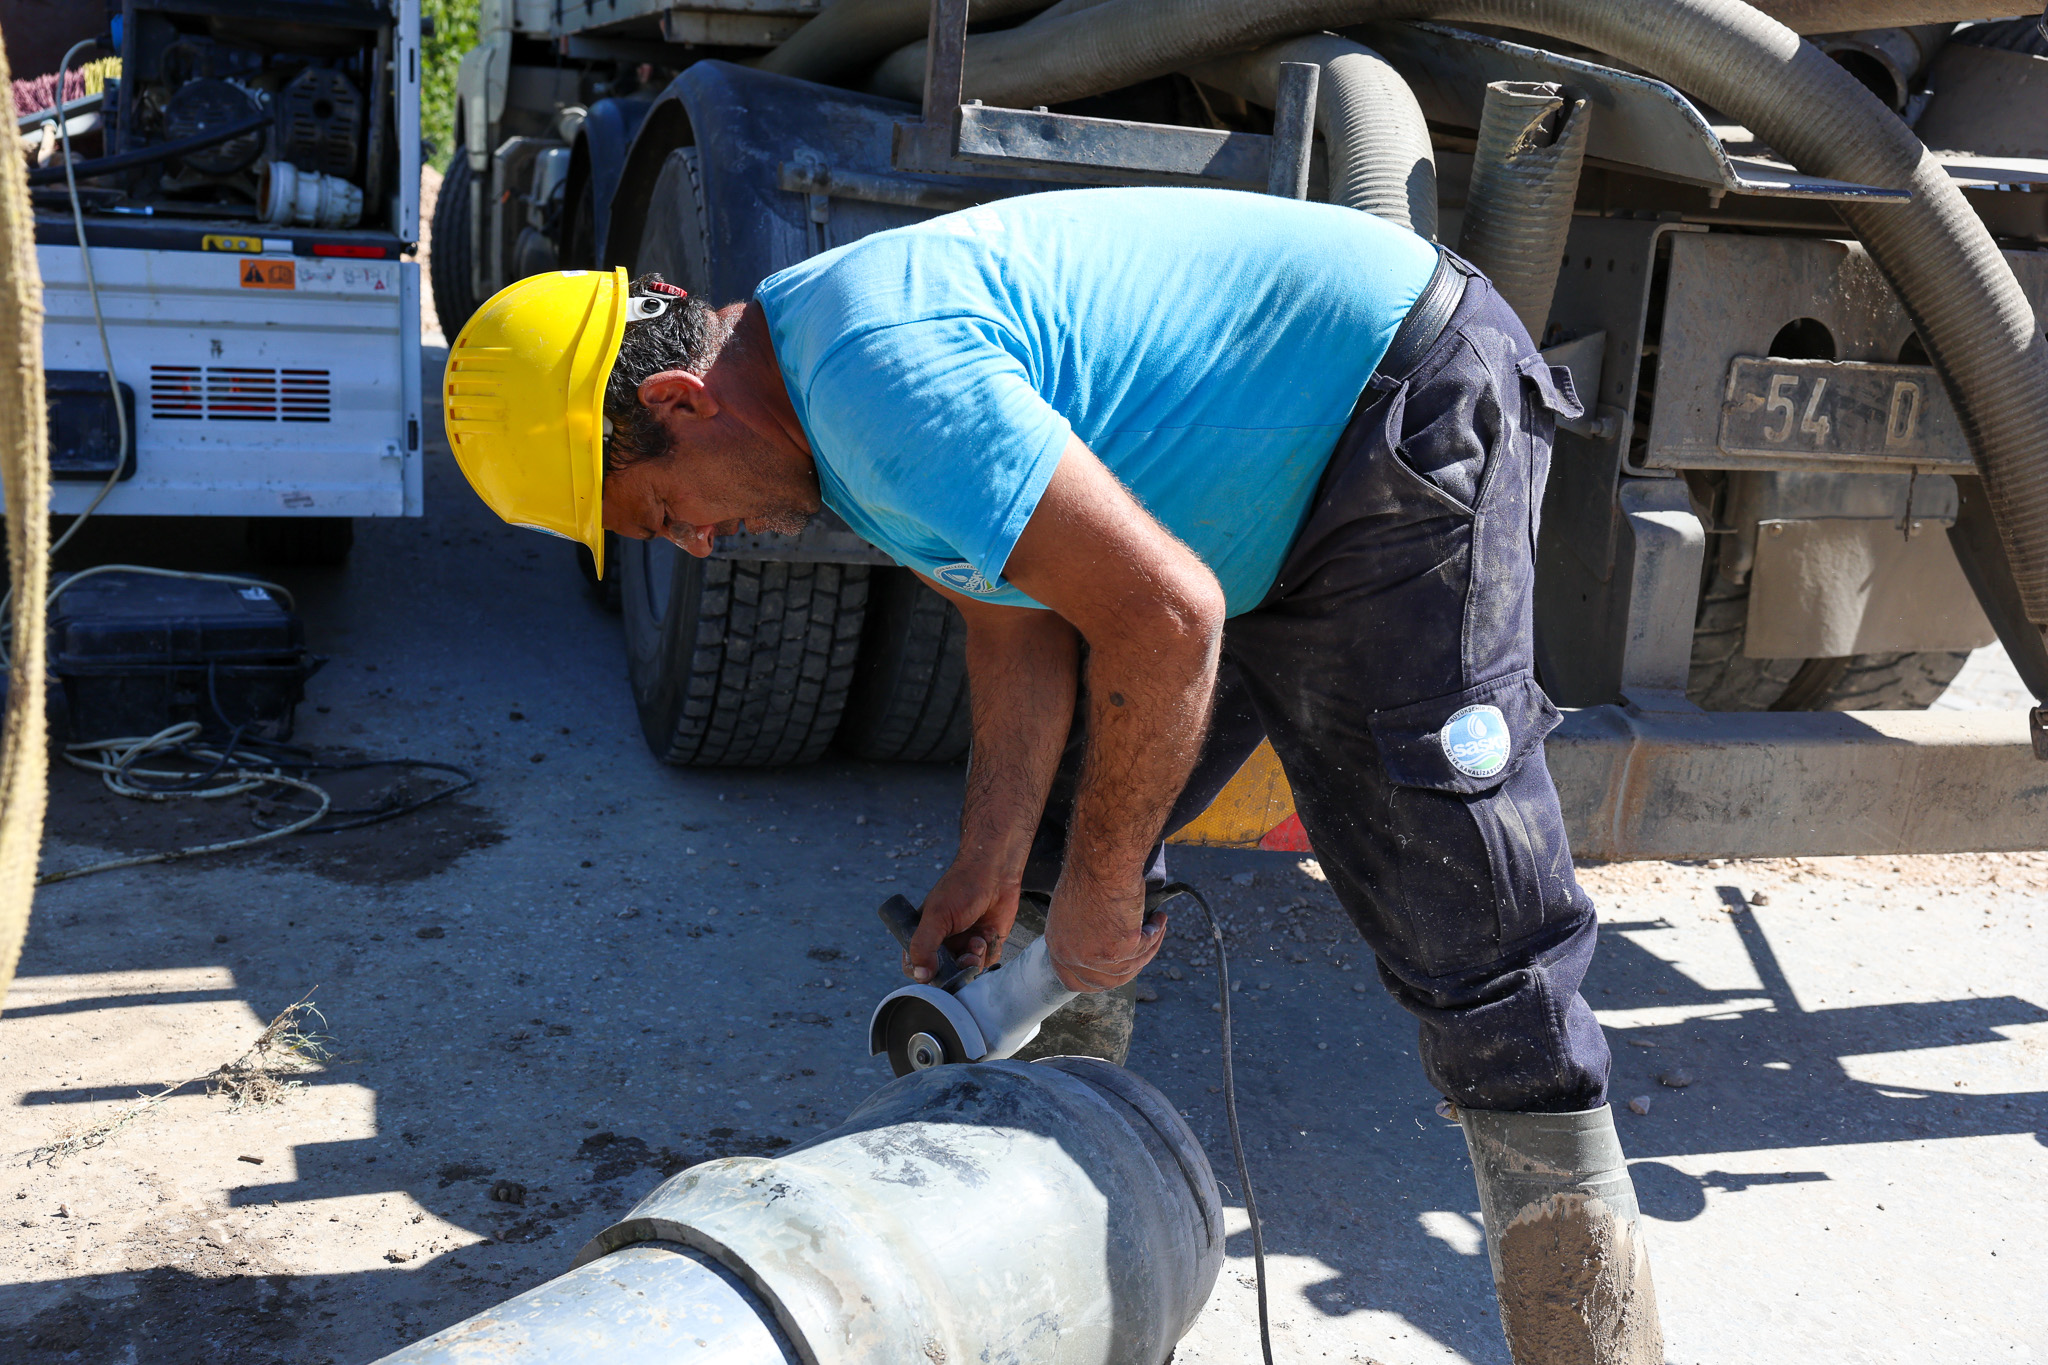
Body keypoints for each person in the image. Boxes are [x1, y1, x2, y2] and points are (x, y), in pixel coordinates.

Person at [442, 186, 1663, 1364]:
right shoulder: (811, 395)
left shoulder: (875, 381)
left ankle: (1590, 1331)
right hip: (1251, 502)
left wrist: (1106, 876)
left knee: (1465, 915)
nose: (696, 544)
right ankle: (1066, 1283)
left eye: (661, 514)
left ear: (677, 401)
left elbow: (1167, 622)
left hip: (1390, 416)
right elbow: (1011, 616)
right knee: (1032, 882)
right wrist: (993, 861)